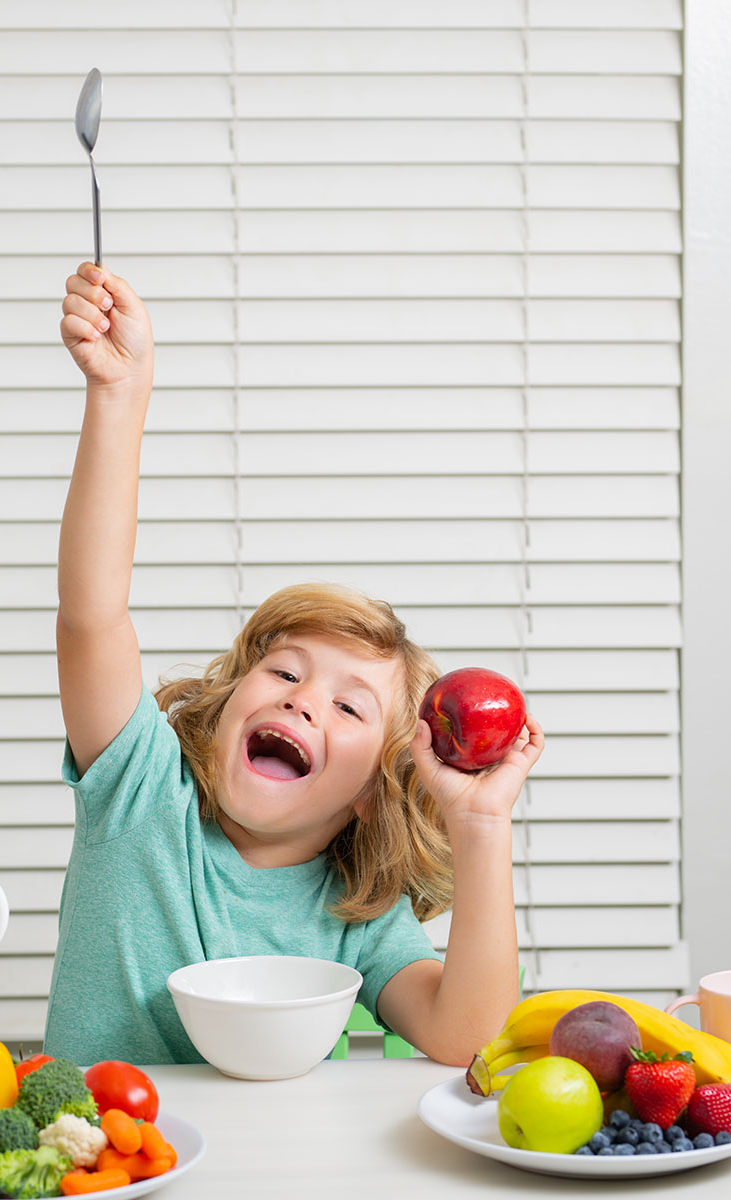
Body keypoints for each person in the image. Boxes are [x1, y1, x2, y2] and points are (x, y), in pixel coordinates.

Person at [43, 261, 545, 1068]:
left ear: (374, 794)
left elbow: (469, 1039)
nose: (307, 700)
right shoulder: (139, 795)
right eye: (284, 673)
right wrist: (119, 396)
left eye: (350, 709)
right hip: (106, 1172)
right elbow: (92, 613)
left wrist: (482, 826)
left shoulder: (359, 916)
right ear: (229, 700)